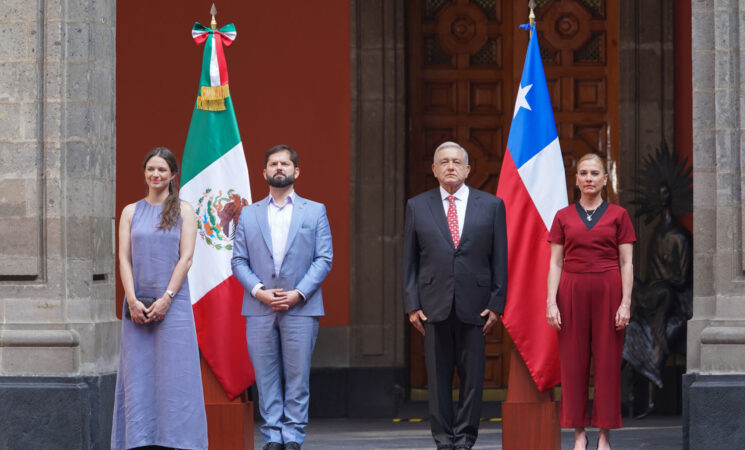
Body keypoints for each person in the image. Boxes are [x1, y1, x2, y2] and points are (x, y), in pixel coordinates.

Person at [404, 141, 508, 449]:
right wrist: (412, 304)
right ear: (434, 169)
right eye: (444, 162)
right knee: (437, 380)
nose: (450, 166)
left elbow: (499, 259)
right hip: (433, 305)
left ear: (467, 169)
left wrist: (496, 304)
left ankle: (465, 440)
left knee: (473, 379)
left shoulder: (491, 205)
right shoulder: (416, 206)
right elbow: (409, 260)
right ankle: (443, 440)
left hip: (475, 306)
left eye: (456, 162)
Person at [231, 145, 333, 450]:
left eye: (285, 164)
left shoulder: (315, 210)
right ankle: (272, 436)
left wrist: (298, 293)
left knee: (298, 377)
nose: (279, 168)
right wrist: (259, 291)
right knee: (265, 376)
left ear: (296, 171)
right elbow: (238, 261)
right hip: (259, 307)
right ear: (264, 172)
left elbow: (324, 258)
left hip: (301, 307)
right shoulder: (248, 214)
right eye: (273, 164)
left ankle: (293, 437)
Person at [111, 147, 207, 450]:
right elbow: (124, 259)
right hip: (137, 306)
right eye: (151, 169)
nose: (156, 174)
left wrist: (167, 298)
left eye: (162, 170)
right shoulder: (130, 211)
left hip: (173, 306)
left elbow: (186, 258)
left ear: (173, 175)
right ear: (144, 172)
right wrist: (131, 300)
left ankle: (179, 441)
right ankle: (139, 440)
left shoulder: (185, 210)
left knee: (177, 374)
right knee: (138, 375)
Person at [546, 153, 635, 450]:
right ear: (576, 180)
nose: (588, 178)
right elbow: (555, 263)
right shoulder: (563, 216)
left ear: (605, 179)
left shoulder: (619, 215)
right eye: (583, 173)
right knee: (573, 364)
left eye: (594, 173)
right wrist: (551, 302)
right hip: (571, 291)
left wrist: (625, 303)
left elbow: (626, 263)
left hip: (609, 290)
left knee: (608, 363)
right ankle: (579, 433)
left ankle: (605, 435)